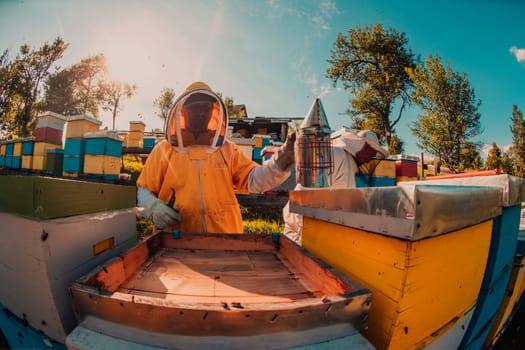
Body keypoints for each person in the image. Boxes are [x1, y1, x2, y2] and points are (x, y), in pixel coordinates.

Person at [136, 81, 295, 234]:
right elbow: (143, 190)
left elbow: (253, 180)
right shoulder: (164, 150)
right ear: (183, 112)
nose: (201, 112)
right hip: (174, 238)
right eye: (195, 108)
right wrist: (152, 207)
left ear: (214, 112)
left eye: (206, 108)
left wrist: (281, 162)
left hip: (225, 238)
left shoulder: (227, 149)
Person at [283, 129, 389, 245]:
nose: (372, 156)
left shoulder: (349, 161)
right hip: (302, 223)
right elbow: (308, 189)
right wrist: (304, 227)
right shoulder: (336, 154)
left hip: (314, 226)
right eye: (371, 151)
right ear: (362, 146)